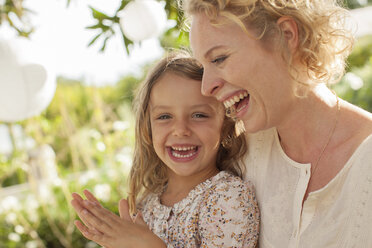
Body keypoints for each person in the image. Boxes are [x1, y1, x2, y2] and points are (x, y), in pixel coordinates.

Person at [180, 0, 372, 247]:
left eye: (219, 58)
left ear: (287, 35)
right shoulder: (240, 158)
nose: (207, 87)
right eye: (203, 67)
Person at [71, 52, 260, 248]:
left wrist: (147, 244)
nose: (180, 130)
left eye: (198, 115)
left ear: (225, 125)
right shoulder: (147, 204)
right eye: (164, 117)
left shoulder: (228, 198)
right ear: (148, 129)